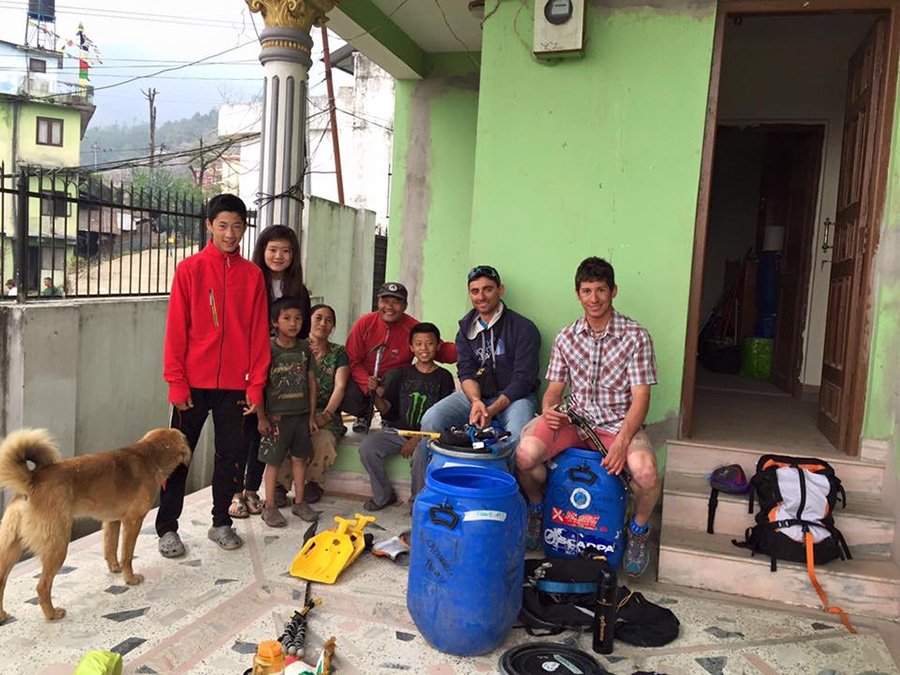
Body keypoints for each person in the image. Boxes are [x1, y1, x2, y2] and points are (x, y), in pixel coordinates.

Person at [515, 257, 660, 577]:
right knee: (525, 456)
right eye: (586, 291)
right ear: (577, 294)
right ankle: (537, 507)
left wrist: (622, 442)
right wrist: (550, 409)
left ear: (614, 292)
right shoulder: (567, 336)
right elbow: (554, 389)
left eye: (601, 290)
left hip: (618, 423)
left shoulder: (636, 336)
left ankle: (638, 530)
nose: (593, 299)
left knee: (646, 473)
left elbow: (641, 399)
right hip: (574, 418)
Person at [158, 193, 270, 558]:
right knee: (176, 457)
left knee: (230, 457)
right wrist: (176, 381)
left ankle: (221, 521)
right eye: (222, 226)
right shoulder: (190, 270)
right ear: (209, 226)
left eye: (237, 226)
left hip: (236, 386)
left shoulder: (253, 276)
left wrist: (256, 385)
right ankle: (167, 527)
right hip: (191, 384)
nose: (230, 234)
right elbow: (176, 329)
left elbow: (257, 334)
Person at [414, 266, 541, 493]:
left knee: (518, 437)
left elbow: (523, 379)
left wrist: (491, 410)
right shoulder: (465, 329)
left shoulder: (523, 328)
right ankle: (425, 494)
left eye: (487, 289)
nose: (480, 296)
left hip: (515, 397)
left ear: (500, 290)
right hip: (477, 396)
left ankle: (510, 500)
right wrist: (476, 401)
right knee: (431, 421)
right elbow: (465, 371)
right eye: (475, 291)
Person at [235, 225, 313, 517]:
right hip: (248, 364)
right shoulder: (249, 280)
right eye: (272, 250)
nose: (279, 256)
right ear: (262, 251)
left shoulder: (298, 290)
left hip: (281, 371)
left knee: (264, 433)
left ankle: (252, 489)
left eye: (286, 251)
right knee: (243, 428)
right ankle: (235, 492)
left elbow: (302, 329)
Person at [360, 322, 455, 511]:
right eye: (418, 344)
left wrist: (417, 438)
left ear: (437, 346)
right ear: (411, 348)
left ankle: (417, 503)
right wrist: (375, 395)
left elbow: (444, 418)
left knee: (420, 454)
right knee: (367, 447)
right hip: (398, 431)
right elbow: (389, 410)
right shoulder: (401, 374)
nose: (424, 348)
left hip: (427, 437)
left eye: (429, 343)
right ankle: (383, 495)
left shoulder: (444, 377)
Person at [344, 282, 457, 430]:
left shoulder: (412, 328)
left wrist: (468, 349)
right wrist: (369, 385)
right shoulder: (364, 323)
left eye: (396, 302)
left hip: (394, 383)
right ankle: (364, 413)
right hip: (365, 378)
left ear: (405, 305)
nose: (389, 307)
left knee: (394, 376)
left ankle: (390, 418)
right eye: (385, 301)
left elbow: (440, 350)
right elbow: (353, 360)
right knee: (345, 389)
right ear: (378, 302)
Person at [256, 297, 319, 527]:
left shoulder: (305, 348)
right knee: (272, 462)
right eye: (287, 318)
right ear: (275, 322)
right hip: (276, 418)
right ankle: (270, 506)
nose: (293, 323)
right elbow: (259, 385)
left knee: (299, 459)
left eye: (298, 318)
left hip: (301, 415)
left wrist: (312, 415)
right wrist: (261, 416)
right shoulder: (268, 349)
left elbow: (311, 382)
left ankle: (300, 502)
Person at [305, 303, 350, 503]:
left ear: (333, 327)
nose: (323, 323)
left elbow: (340, 386)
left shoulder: (339, 353)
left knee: (324, 438)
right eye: (318, 318)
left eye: (329, 320)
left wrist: (326, 415)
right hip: (296, 410)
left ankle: (314, 483)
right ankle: (280, 486)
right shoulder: (296, 348)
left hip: (326, 412)